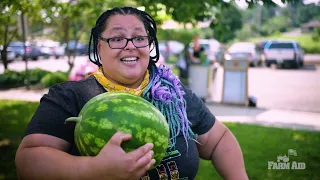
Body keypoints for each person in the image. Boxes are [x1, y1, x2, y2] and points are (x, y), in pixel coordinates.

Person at [15, 6, 248, 180]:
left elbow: (218, 140)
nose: (130, 45)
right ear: (99, 47)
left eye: (139, 37)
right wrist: (93, 169)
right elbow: (28, 160)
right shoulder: (70, 96)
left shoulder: (172, 94)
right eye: (117, 38)